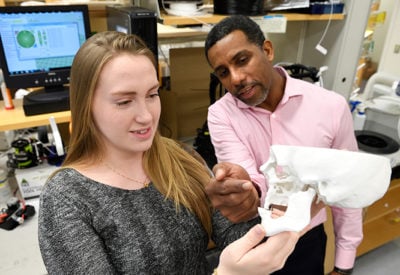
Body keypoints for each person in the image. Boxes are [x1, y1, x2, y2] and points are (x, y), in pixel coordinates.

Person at [38, 31, 306, 274]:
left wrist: (259, 211)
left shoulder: (180, 158)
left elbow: (239, 238)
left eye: (152, 95)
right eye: (124, 101)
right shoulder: (67, 198)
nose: (146, 116)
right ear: (87, 106)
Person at [204, 15, 363, 275]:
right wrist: (246, 188)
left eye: (242, 60)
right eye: (223, 72)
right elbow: (250, 179)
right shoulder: (221, 114)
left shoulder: (330, 107)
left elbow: (347, 191)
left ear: (267, 50)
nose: (235, 79)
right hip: (253, 239)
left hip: (306, 242)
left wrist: (344, 264)